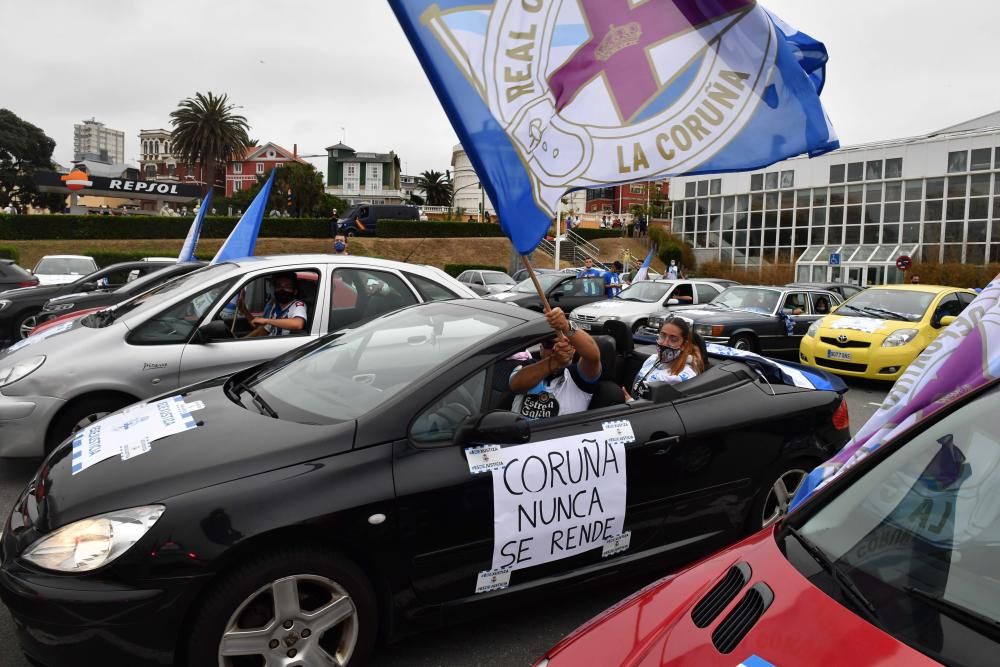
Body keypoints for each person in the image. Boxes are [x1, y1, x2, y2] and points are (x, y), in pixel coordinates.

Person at [509, 307, 602, 418]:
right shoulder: (527, 366)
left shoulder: (578, 377)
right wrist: (555, 361)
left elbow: (593, 356)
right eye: (549, 344)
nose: (555, 348)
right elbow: (516, 384)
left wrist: (567, 326)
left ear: (573, 349)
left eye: (563, 342)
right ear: (541, 348)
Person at [627, 315, 703, 400]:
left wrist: (630, 402)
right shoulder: (652, 359)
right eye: (663, 336)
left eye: (673, 339)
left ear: (684, 345)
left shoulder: (684, 375)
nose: (665, 343)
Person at [239, 273, 308, 337]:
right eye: (279, 286)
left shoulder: (298, 305)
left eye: (287, 287)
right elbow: (262, 329)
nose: (282, 290)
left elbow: (298, 324)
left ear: (295, 291)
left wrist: (267, 320)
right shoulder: (275, 306)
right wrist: (244, 310)